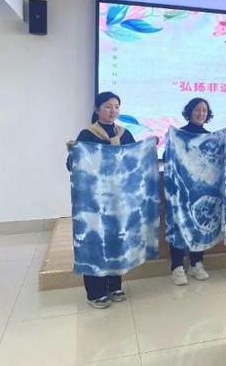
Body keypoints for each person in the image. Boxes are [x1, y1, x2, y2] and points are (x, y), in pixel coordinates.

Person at [68, 91, 135, 309]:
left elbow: (134, 162)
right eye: (107, 106)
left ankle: (114, 285)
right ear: (97, 109)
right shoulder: (87, 135)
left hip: (118, 200)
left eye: (116, 106)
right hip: (93, 202)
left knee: (116, 239)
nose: (112, 110)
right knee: (95, 242)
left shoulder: (125, 134)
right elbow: (72, 165)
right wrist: (75, 153)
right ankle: (95, 292)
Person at [170, 97, 213, 286]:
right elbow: (169, 157)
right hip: (181, 191)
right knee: (179, 226)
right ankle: (177, 266)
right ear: (189, 112)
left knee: (200, 226)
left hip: (202, 191)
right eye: (197, 109)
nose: (201, 113)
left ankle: (196, 263)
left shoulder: (211, 137)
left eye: (204, 110)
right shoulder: (178, 135)